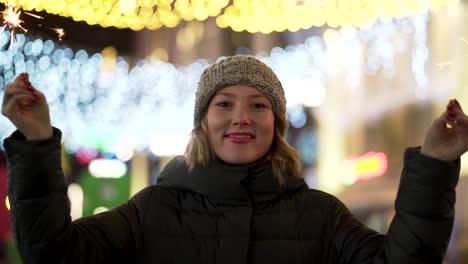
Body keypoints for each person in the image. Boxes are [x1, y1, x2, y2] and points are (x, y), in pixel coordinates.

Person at [1, 55, 467, 263]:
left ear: (277, 124)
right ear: (203, 121)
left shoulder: (321, 216)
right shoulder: (151, 210)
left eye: (258, 105)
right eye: (223, 104)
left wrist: (435, 164)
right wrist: (38, 141)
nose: (240, 117)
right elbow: (52, 254)